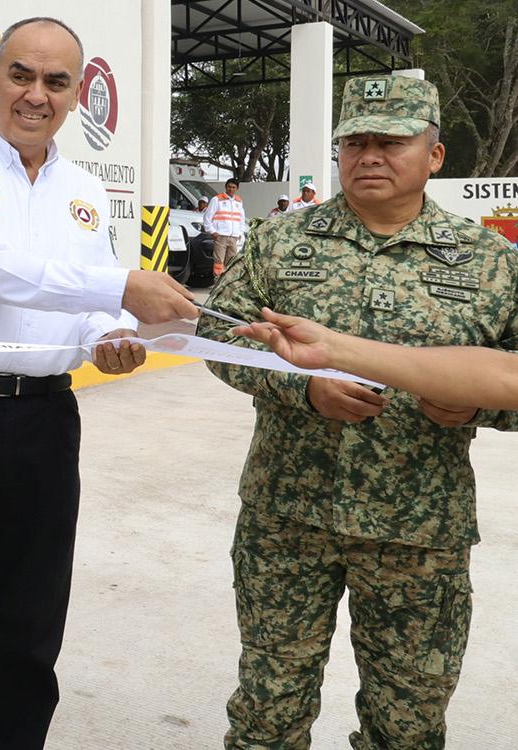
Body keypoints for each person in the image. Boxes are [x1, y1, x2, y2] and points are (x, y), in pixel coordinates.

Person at [0, 15, 200, 750]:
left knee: (31, 629)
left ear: (75, 95)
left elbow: (89, 310)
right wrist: (122, 284)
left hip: (44, 421)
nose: (36, 95)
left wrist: (107, 338)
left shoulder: (86, 191)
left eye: (56, 82)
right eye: (21, 75)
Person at [197, 73, 518, 749]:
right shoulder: (284, 242)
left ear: (433, 155)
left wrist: (473, 410)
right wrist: (300, 388)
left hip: (419, 532)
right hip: (287, 519)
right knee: (267, 709)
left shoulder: (490, 261)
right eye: (356, 142)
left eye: (391, 141)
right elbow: (216, 333)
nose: (369, 155)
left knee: (407, 723)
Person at [235, 307, 518, 410]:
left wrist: (476, 405)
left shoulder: (497, 255)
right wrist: (328, 352)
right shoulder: (272, 238)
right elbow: (503, 375)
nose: (369, 167)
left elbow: (508, 377)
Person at [205, 178, 247, 276]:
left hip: (234, 236)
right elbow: (207, 217)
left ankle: (227, 282)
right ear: (225, 187)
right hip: (221, 235)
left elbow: (241, 219)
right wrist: (212, 231)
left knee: (231, 261)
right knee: (219, 261)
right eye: (229, 187)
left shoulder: (239, 201)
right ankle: (217, 281)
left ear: (237, 188)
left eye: (233, 187)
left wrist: (240, 233)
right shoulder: (217, 199)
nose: (231, 189)